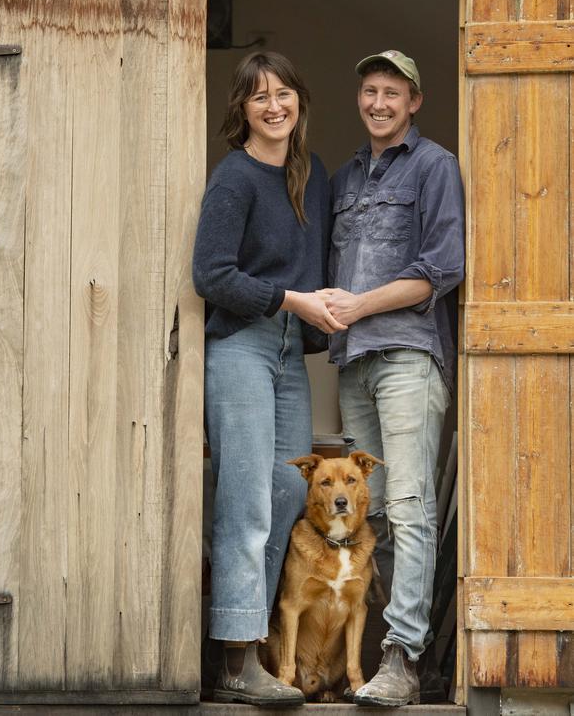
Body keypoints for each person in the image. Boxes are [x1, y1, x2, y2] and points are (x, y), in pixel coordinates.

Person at [192, 51, 345, 707]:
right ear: (243, 110)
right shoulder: (234, 177)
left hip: (289, 351)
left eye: (284, 92)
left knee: (288, 489)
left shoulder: (314, 179)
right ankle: (235, 662)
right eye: (259, 97)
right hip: (242, 346)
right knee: (247, 498)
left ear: (299, 101)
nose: (274, 105)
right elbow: (213, 274)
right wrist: (292, 301)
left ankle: (248, 637)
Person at [317, 50, 464, 708]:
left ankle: (402, 655)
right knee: (375, 512)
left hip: (407, 354)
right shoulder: (346, 178)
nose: (378, 102)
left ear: (415, 101)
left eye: (392, 92)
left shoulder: (434, 166)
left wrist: (358, 304)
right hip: (356, 364)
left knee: (408, 503)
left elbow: (441, 268)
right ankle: (406, 658)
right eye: (369, 90)